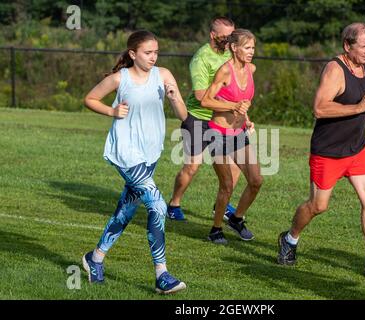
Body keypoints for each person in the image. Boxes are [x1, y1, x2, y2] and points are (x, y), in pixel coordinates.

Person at [277, 23, 365, 279]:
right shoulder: (335, 70)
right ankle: (289, 239)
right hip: (328, 151)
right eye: (363, 46)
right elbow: (320, 109)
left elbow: (359, 101)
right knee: (317, 206)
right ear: (347, 46)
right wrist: (360, 107)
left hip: (357, 149)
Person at [82, 30, 187, 294]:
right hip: (126, 154)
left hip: (150, 154)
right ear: (133, 54)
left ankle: (95, 258)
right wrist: (112, 111)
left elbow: (183, 115)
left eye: (156, 52)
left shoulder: (163, 75)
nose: (153, 57)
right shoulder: (121, 78)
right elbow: (90, 99)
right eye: (148, 53)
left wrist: (174, 98)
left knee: (127, 210)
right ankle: (162, 274)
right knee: (158, 205)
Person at [166, 16, 254, 221]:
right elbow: (200, 96)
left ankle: (220, 205)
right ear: (212, 35)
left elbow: (239, 91)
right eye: (225, 37)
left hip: (226, 120)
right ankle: (174, 203)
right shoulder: (201, 58)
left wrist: (245, 116)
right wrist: (233, 106)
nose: (229, 41)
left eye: (232, 36)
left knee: (236, 165)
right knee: (192, 166)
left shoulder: (233, 55)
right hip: (199, 118)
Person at [201, 29, 263, 244]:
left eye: (253, 47)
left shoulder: (251, 69)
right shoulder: (224, 72)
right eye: (247, 47)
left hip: (238, 133)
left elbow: (244, 102)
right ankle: (215, 230)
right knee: (227, 185)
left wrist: (246, 118)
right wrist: (232, 106)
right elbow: (206, 101)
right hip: (217, 134)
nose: (251, 52)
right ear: (234, 48)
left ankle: (236, 219)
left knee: (256, 180)